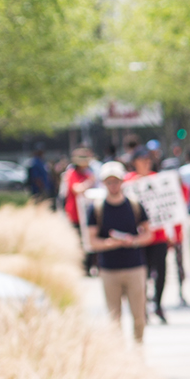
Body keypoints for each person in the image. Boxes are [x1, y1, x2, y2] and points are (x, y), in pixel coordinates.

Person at [85, 162, 152, 343]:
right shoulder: (97, 208)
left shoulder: (134, 205)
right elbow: (91, 241)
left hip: (134, 267)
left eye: (116, 181)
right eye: (109, 182)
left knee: (139, 315)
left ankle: (138, 349)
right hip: (109, 269)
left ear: (122, 182)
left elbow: (149, 234)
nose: (113, 185)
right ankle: (119, 354)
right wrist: (111, 243)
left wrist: (133, 241)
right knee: (114, 318)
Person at [128, 149, 172, 325]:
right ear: (135, 162)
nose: (146, 163)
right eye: (142, 160)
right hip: (139, 237)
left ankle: (158, 304)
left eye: (148, 160)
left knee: (161, 273)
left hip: (159, 235)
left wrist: (172, 233)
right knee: (142, 274)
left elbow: (170, 206)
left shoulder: (158, 179)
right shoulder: (128, 182)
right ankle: (143, 306)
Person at [62, 147, 98, 275]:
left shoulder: (87, 174)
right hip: (74, 214)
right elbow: (76, 189)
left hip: (87, 215)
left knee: (87, 241)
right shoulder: (72, 174)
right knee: (78, 243)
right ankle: (82, 268)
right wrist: (89, 182)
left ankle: (89, 267)